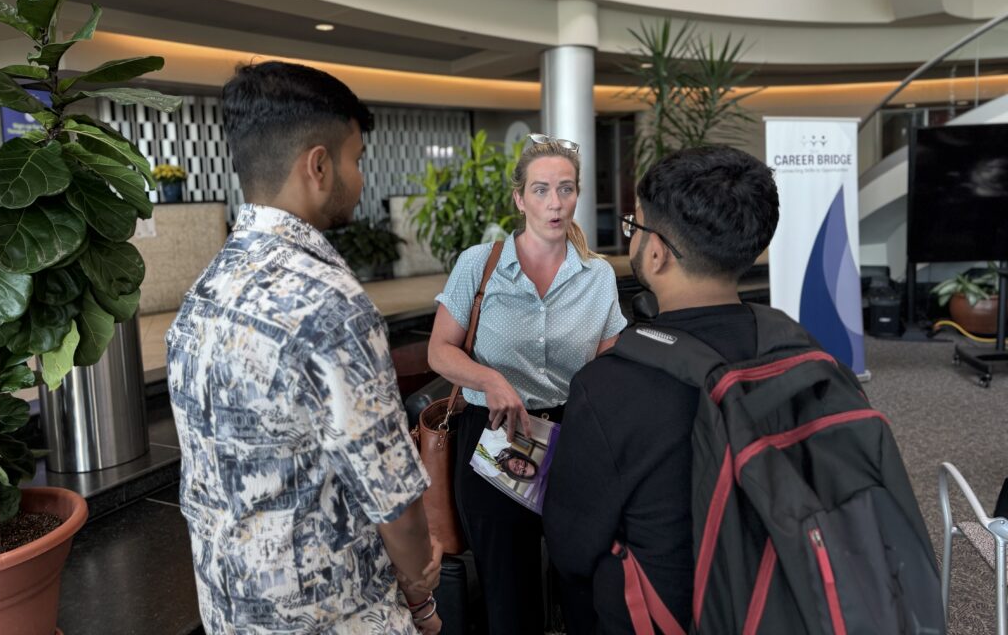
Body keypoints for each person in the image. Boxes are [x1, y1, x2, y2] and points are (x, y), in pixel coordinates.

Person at [167, 61, 442, 635]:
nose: (361, 178)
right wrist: (420, 588)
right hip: (332, 616)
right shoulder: (329, 303)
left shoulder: (205, 291)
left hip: (228, 611)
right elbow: (391, 494)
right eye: (356, 159)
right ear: (319, 165)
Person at [543, 145, 781, 634]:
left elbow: (570, 549)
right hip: (783, 601)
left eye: (634, 226)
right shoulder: (798, 352)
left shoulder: (608, 386)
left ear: (656, 251)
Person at [428, 134, 628, 634]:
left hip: (573, 435)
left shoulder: (597, 275)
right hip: (495, 431)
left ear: (578, 194)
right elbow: (440, 351)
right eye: (540, 190)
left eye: (565, 189)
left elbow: (610, 364)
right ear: (519, 198)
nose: (554, 204)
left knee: (583, 583)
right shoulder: (480, 263)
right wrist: (489, 379)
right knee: (508, 593)